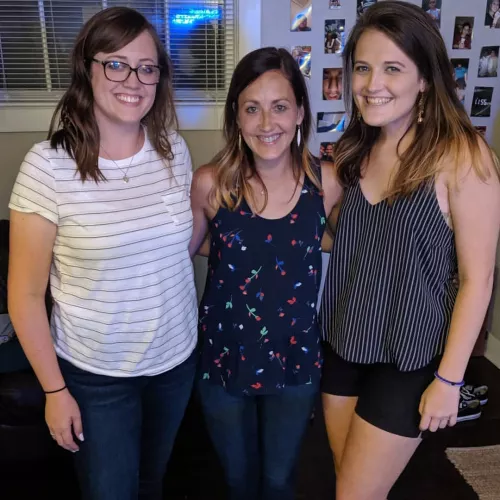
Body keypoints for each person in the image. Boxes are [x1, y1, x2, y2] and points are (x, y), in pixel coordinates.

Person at [8, 7, 197, 500]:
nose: (133, 80)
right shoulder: (48, 166)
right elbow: (24, 296)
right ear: (87, 69)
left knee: (153, 482)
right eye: (116, 64)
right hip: (97, 376)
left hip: (175, 362)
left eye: (147, 67)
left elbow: (177, 248)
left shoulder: (173, 150)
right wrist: (54, 390)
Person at [319, 3, 500, 500]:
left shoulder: (462, 155)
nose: (372, 83)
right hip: (344, 338)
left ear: (424, 78)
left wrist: (450, 380)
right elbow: (353, 239)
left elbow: (478, 279)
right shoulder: (357, 147)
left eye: (392, 68)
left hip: (410, 356)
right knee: (349, 481)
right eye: (362, 67)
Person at [189, 47, 342, 500]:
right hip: (224, 353)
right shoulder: (211, 183)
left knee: (278, 480)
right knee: (237, 480)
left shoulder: (327, 182)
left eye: (279, 107)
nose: (266, 123)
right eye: (251, 108)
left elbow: (342, 242)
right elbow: (187, 248)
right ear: (236, 117)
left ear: (299, 113)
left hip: (295, 358)